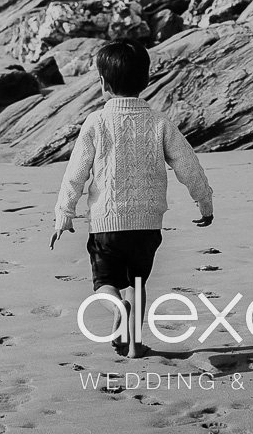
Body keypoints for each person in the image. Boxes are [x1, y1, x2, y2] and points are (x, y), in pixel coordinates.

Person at [50, 41, 214, 357]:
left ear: (103, 84)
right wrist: (203, 201)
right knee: (138, 284)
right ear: (146, 80)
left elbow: (76, 173)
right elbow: (187, 164)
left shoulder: (96, 123)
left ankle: (116, 307)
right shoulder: (160, 122)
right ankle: (134, 344)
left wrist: (64, 213)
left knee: (106, 281)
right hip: (147, 223)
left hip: (106, 224)